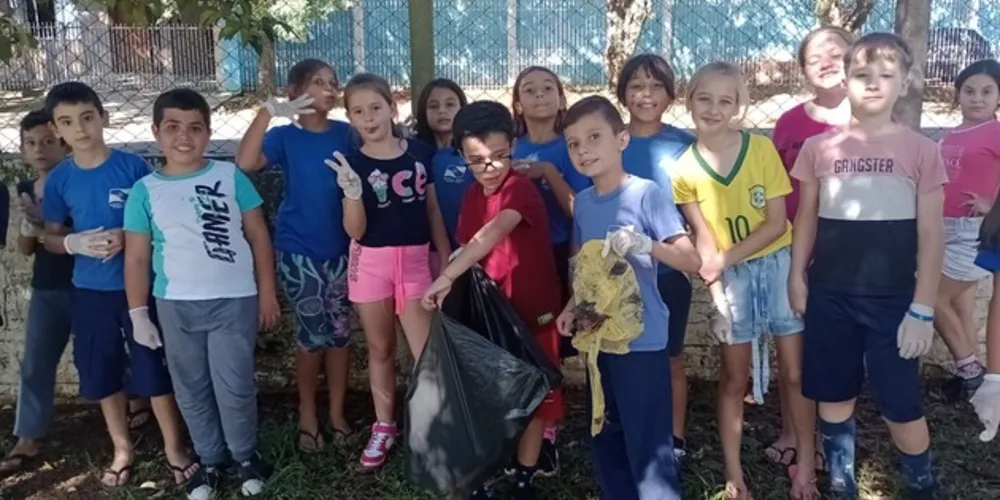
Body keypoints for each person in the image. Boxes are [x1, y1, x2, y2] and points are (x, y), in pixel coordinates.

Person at [790, 33, 946, 499]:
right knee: (834, 396)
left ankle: (922, 485)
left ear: (906, 82)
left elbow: (931, 234)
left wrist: (922, 308)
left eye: (886, 75)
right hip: (830, 296)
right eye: (862, 74)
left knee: (900, 405)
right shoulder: (820, 148)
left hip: (895, 301)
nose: (873, 84)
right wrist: (798, 276)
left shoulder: (922, 150)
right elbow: (806, 218)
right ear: (845, 78)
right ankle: (842, 486)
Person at [670, 62, 817, 500]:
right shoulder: (684, 169)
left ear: (739, 106)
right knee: (734, 379)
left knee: (794, 373)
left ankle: (806, 465)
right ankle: (734, 476)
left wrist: (725, 261)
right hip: (729, 279)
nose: (713, 109)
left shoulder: (760, 149)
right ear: (690, 100)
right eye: (704, 98)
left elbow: (776, 224)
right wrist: (717, 296)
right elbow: (703, 238)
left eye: (725, 100)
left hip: (776, 266)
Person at [124, 88, 279, 499]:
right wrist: (139, 312)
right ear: (156, 132)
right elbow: (137, 257)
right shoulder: (145, 190)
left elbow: (259, 235)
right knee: (191, 386)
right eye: (172, 127)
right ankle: (209, 461)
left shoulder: (229, 177)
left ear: (209, 134)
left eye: (195, 128)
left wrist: (267, 293)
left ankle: (244, 456)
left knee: (235, 383)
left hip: (235, 299)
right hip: (175, 305)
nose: (184, 137)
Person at [39, 81, 195, 487]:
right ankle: (122, 448)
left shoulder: (133, 168)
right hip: (90, 292)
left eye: (88, 117)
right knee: (101, 369)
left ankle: (174, 447)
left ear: (104, 117)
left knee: (153, 367)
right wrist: (74, 242)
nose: (81, 128)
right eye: (68, 122)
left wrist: (128, 236)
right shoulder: (59, 180)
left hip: (140, 288)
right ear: (57, 130)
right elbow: (51, 238)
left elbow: (161, 218)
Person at [555, 95, 700, 500]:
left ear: (621, 140)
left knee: (648, 442)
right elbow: (588, 271)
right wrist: (571, 309)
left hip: (643, 340)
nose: (583, 150)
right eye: (573, 143)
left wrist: (647, 245)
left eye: (594, 137)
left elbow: (691, 259)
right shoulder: (583, 203)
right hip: (599, 337)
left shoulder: (646, 194)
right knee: (605, 429)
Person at [421, 100, 564, 500]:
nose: (490, 168)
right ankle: (484, 477)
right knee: (489, 400)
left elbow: (492, 233)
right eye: (477, 160)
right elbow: (467, 244)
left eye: (499, 156)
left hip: (535, 316)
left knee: (535, 398)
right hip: (491, 320)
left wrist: (445, 274)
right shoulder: (471, 196)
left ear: (513, 146)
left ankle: (525, 477)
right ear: (462, 156)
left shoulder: (521, 189)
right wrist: (451, 277)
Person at [327, 72, 450, 470]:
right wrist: (351, 192)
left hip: (415, 262)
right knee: (379, 349)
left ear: (392, 108)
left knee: (426, 354)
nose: (368, 117)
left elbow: (431, 208)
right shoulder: (353, 162)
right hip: (371, 265)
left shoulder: (419, 154)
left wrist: (444, 255)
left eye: (375, 107)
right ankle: (384, 426)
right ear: (349, 118)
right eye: (357, 111)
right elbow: (356, 231)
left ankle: (435, 429)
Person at [234, 58, 354, 454]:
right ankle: (307, 412)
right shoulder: (286, 136)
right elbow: (246, 162)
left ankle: (336, 412)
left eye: (333, 81)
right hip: (299, 252)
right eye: (318, 81)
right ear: (295, 92)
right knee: (311, 338)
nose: (329, 86)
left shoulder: (347, 134)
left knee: (339, 336)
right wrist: (267, 112)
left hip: (343, 250)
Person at [768, 26, 854, 470]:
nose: (826, 60)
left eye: (835, 52)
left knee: (835, 351)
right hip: (794, 253)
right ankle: (794, 433)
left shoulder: (869, 116)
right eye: (815, 56)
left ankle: (834, 436)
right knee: (793, 350)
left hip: (853, 258)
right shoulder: (789, 123)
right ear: (803, 69)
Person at [509, 65, 591, 475]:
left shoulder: (570, 146)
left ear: (561, 99)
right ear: (517, 103)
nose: (539, 95)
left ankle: (549, 433)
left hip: (559, 253)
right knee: (520, 346)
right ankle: (521, 426)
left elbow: (581, 208)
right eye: (529, 89)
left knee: (552, 347)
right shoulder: (508, 147)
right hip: (516, 262)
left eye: (548, 88)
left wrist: (548, 174)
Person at [615, 53, 696, 459]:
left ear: (670, 94)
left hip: (667, 271)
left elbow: (701, 209)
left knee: (671, 358)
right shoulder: (612, 141)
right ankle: (629, 434)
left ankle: (675, 440)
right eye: (636, 85)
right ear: (623, 92)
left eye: (655, 86)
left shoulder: (685, 145)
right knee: (623, 357)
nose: (645, 94)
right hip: (617, 274)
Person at [0, 110, 71, 474]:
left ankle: (136, 406)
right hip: (46, 286)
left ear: (64, 143)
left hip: (87, 285)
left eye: (48, 141)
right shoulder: (26, 188)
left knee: (105, 354)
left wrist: (47, 229)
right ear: (22, 149)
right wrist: (31, 224)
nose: (40, 149)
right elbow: (25, 249)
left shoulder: (79, 182)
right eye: (31, 143)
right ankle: (27, 435)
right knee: (36, 362)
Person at [934, 59, 1000, 399]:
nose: (977, 98)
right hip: (942, 228)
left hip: (974, 230)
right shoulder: (952, 134)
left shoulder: (995, 132)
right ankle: (972, 383)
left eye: (987, 91)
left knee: (930, 296)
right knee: (956, 304)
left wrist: (993, 206)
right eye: (969, 90)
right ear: (958, 94)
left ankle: (970, 371)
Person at [413, 78, 471, 255]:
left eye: (450, 104)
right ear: (423, 112)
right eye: (433, 106)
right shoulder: (415, 154)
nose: (442, 111)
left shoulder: (472, 153)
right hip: (426, 251)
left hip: (468, 248)